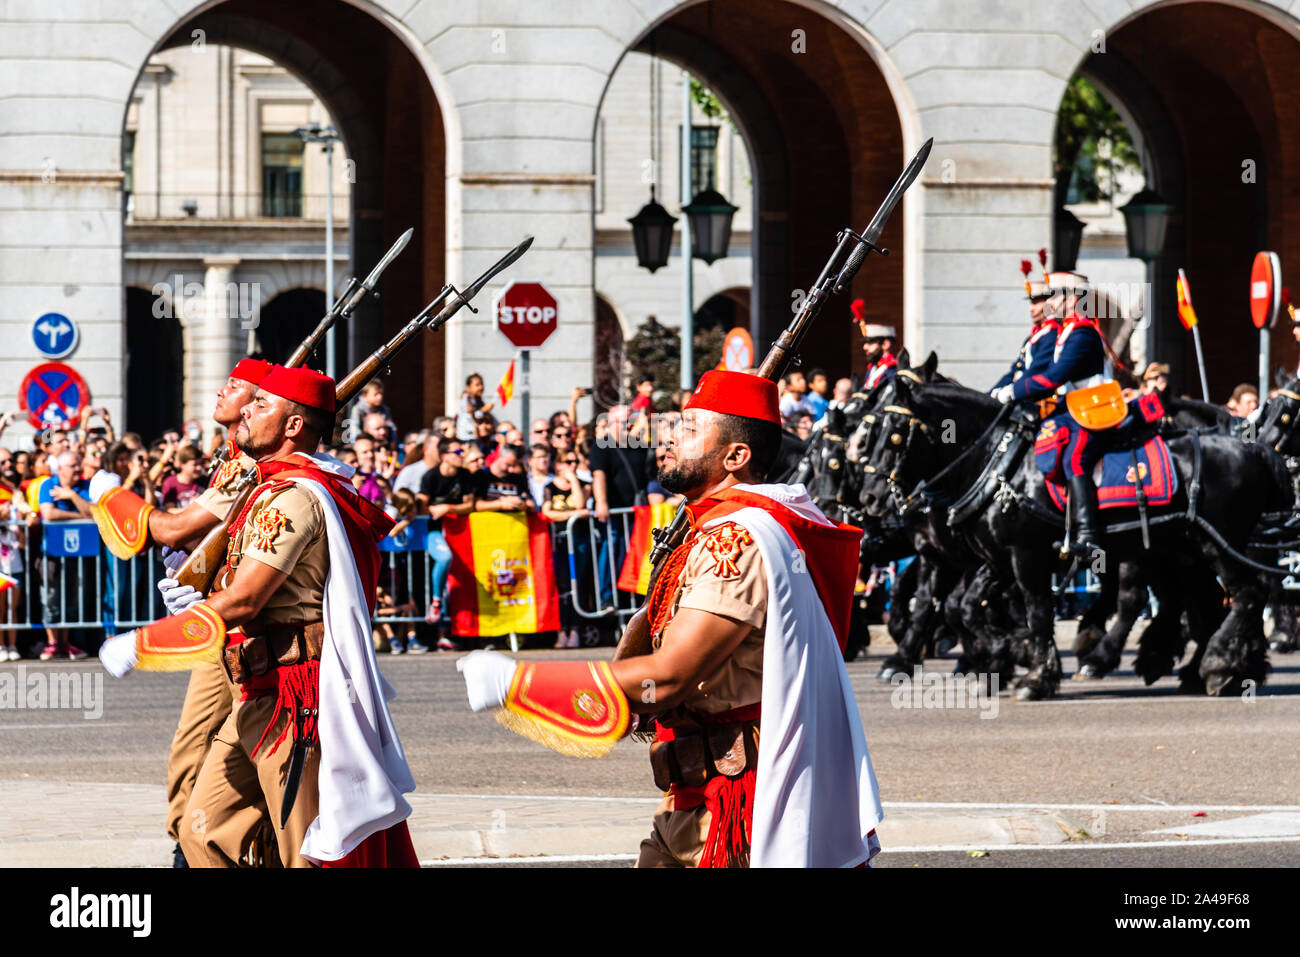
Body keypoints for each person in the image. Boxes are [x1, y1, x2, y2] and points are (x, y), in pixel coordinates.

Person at [456, 370, 883, 867]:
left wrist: (521, 682)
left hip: (735, 806)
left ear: (736, 456)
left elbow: (672, 675)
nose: (669, 437)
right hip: (693, 791)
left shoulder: (736, 540)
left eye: (689, 427)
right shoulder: (714, 528)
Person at [100, 366, 418, 868]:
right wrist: (198, 589)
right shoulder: (264, 488)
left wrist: (147, 641)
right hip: (253, 685)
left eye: (261, 404)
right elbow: (237, 581)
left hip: (292, 698)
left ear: (293, 426)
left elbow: (246, 599)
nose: (245, 408)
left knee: (303, 854)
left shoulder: (293, 497)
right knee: (202, 831)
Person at [88, 357, 274, 868]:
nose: (220, 391)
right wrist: (196, 564)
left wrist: (114, 497)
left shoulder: (250, 462)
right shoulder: (235, 455)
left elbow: (171, 528)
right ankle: (199, 843)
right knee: (207, 746)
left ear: (260, 405)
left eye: (235, 386)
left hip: (239, 623)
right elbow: (203, 535)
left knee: (207, 745)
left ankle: (195, 849)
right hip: (220, 611)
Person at [991, 271, 1160, 557]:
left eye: (1055, 295)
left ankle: (1088, 534)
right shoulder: (1068, 331)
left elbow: (1055, 376)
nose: (1049, 301)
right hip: (1077, 408)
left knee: (1075, 457)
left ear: (1073, 300)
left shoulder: (1082, 332)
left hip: (1095, 409)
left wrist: (1014, 392)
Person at [417, 437, 476, 650]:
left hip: (460, 533)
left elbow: (470, 505)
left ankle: (450, 633)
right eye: (457, 452)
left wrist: (447, 509)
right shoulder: (431, 477)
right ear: (444, 456)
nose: (462, 455)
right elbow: (422, 508)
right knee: (444, 558)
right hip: (435, 532)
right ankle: (435, 602)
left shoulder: (465, 476)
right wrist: (433, 510)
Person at [38, 451, 92, 660]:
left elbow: (93, 513)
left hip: (78, 553)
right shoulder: (48, 485)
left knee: (72, 596)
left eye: (79, 465)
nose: (77, 469)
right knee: (51, 596)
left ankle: (65, 642)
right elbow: (49, 514)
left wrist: (72, 496)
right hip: (51, 553)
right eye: (72, 466)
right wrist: (79, 514)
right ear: (60, 469)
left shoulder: (84, 487)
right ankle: (52, 642)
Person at [991, 258, 1061, 397]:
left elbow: (1034, 372)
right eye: (1031, 303)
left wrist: (1011, 392)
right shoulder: (1034, 337)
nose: (1031, 309)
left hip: (1034, 397)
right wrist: (989, 395)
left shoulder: (1052, 335)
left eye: (1035, 303)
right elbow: (1014, 372)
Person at [851, 298, 899, 390]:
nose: (865, 347)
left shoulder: (893, 370)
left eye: (870, 342)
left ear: (885, 344)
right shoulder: (874, 367)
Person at [472, 447, 533, 512]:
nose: (511, 470)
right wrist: (501, 504)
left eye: (514, 465)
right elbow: (477, 505)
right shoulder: (482, 475)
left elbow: (531, 506)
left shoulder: (519, 479)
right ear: (499, 457)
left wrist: (522, 505)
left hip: (513, 521)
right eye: (508, 465)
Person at [455, 373, 495, 441]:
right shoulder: (466, 401)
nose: (481, 387)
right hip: (467, 438)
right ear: (468, 388)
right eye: (477, 385)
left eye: (482, 384)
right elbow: (468, 417)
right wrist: (483, 410)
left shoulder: (478, 400)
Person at [526, 443, 553, 508]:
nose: (542, 460)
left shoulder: (555, 480)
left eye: (545, 456)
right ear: (530, 461)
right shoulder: (525, 480)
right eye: (538, 457)